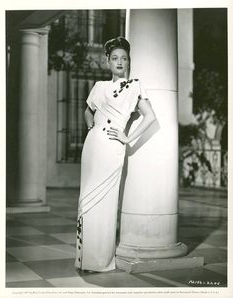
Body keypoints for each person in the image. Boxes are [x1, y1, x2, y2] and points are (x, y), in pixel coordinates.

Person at [75, 36, 157, 272]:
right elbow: (87, 112)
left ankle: (100, 261)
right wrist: (92, 127)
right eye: (114, 58)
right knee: (86, 202)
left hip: (112, 148)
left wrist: (127, 138)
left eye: (124, 58)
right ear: (107, 61)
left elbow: (150, 117)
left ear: (129, 61)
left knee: (105, 203)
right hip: (92, 147)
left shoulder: (135, 86)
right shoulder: (99, 87)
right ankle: (85, 260)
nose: (119, 62)